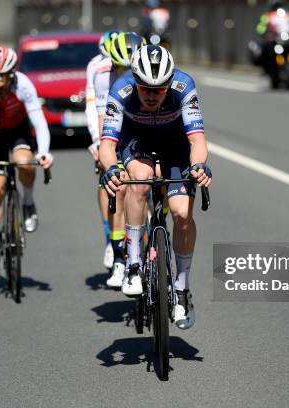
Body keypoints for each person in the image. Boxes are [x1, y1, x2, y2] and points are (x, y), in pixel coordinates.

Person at [99, 45, 212, 329]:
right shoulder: (121, 90)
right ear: (135, 82)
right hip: (137, 141)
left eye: (159, 89)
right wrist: (112, 168)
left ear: (169, 83)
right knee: (138, 181)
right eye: (146, 88)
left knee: (182, 214)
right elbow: (107, 145)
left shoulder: (184, 85)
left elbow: (197, 140)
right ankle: (134, 265)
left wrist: (198, 166)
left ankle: (182, 289)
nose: (151, 95)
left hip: (175, 144)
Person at [0, 46, 54, 277]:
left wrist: (44, 152)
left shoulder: (24, 85)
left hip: (18, 130)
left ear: (12, 74)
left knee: (25, 163)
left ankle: (27, 202)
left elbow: (40, 123)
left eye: (3, 77)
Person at [93, 32, 146, 288]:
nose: (126, 72)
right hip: (119, 131)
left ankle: (160, 228)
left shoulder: (149, 73)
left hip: (147, 129)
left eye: (130, 67)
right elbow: (104, 122)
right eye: (121, 67)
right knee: (118, 186)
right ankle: (118, 257)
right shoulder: (103, 76)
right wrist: (104, 153)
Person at [86, 30, 120, 270]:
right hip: (107, 124)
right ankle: (110, 238)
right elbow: (94, 108)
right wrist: (98, 141)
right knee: (105, 173)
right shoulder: (97, 69)